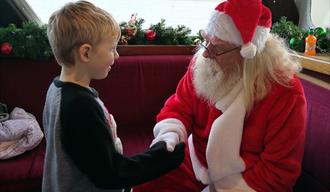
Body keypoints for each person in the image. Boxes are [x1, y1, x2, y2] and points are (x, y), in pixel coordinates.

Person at [133, 0, 307, 191]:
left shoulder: (285, 92)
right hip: (196, 161)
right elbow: (179, 106)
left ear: (246, 53)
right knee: (146, 182)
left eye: (217, 48)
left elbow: (278, 172)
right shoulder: (204, 63)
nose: (206, 54)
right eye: (205, 40)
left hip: (247, 180)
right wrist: (170, 134)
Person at [42, 1, 185, 192]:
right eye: (111, 49)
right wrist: (164, 156)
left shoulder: (56, 89)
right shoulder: (79, 106)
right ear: (86, 52)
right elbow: (111, 174)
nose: (116, 56)